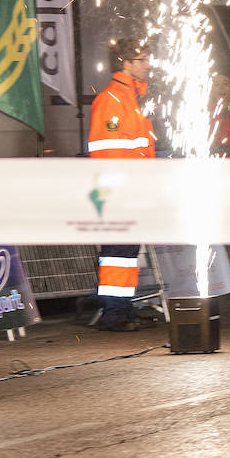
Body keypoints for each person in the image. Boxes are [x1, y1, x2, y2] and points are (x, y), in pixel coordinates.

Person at [87, 40, 156, 331]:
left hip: (132, 188)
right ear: (125, 63)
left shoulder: (130, 98)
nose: (148, 65)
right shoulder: (112, 99)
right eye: (142, 60)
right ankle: (114, 314)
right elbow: (108, 151)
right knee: (118, 252)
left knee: (126, 253)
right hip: (120, 190)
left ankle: (123, 308)